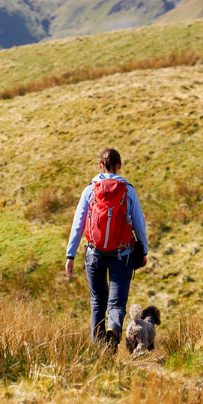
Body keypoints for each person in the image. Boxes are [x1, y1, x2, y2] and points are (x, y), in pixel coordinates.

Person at [65, 148, 148, 353]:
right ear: (119, 165)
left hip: (94, 254)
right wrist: (143, 250)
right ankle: (114, 329)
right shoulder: (128, 190)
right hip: (123, 255)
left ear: (99, 165)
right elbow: (139, 224)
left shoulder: (89, 190)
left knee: (97, 300)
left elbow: (78, 224)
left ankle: (97, 348)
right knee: (116, 302)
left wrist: (70, 255)